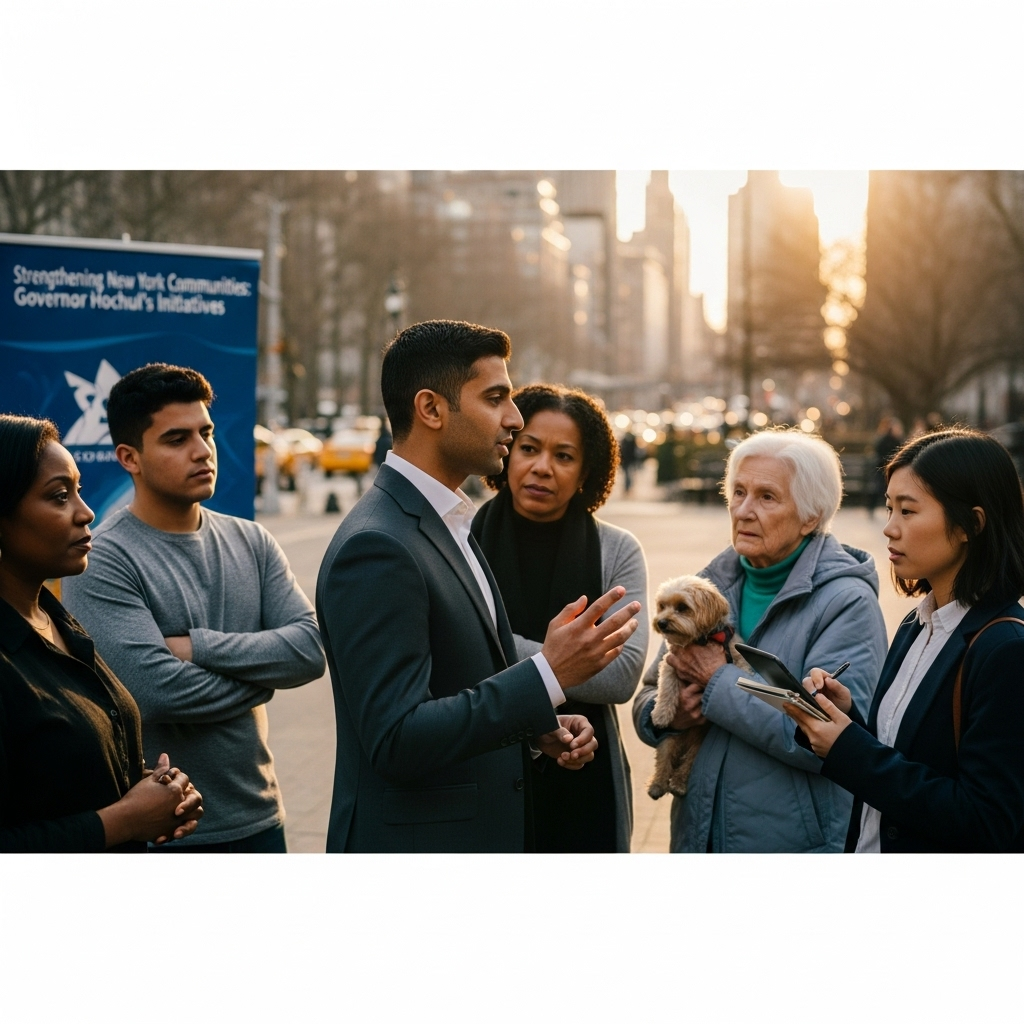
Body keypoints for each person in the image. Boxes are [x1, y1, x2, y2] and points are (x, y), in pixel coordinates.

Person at [317, 320, 641, 853]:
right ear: (431, 409)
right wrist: (547, 674)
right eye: (496, 398)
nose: (513, 418)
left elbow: (458, 683)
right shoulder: (377, 544)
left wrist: (538, 727)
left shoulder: (450, 521)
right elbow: (396, 739)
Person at [63, 364, 325, 853]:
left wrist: (194, 646)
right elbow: (155, 691)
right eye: (177, 439)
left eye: (205, 432)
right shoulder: (102, 560)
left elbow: (309, 649)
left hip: (261, 815)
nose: (203, 450)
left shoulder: (253, 541)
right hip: (166, 830)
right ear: (129, 457)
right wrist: (265, 676)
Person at [632, 427, 888, 852]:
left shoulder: (847, 603)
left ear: (811, 515)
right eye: (738, 492)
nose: (744, 510)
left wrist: (717, 683)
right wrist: (671, 718)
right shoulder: (707, 587)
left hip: (789, 845)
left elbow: (828, 737)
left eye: (767, 497)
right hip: (700, 837)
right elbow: (648, 697)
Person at [786, 429, 1024, 852]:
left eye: (908, 511)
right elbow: (909, 757)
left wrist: (849, 750)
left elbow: (987, 820)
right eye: (889, 508)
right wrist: (848, 721)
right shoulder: (917, 623)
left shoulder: (1005, 649)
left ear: (972, 523)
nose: (890, 529)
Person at [0, 414, 203, 852]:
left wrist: (156, 792)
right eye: (58, 496)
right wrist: (126, 819)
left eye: (79, 490)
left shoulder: (56, 621)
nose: (85, 512)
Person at [472, 384, 648, 853]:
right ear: (507, 451)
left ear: (586, 471)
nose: (542, 467)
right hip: (477, 768)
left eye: (564, 456)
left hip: (586, 776)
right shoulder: (459, 538)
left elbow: (621, 676)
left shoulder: (617, 550)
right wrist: (561, 661)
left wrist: (493, 647)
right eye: (528, 448)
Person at [867, 416, 903, 517]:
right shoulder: (886, 439)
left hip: (888, 468)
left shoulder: (892, 439)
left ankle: (887, 509)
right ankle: (877, 509)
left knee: (883, 489)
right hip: (883, 468)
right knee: (880, 488)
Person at [619, 430, 638, 495]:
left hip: (627, 460)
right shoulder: (631, 441)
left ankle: (627, 487)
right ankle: (628, 487)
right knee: (628, 474)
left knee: (628, 475)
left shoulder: (625, 441)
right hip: (628, 460)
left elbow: (622, 451)